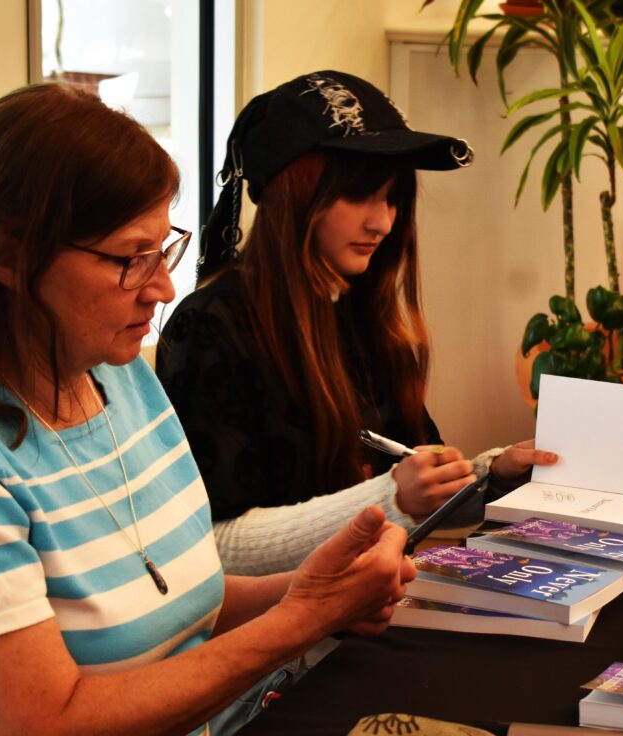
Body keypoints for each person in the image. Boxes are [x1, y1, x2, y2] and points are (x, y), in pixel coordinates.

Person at [0, 83, 413, 736]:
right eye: (129, 259)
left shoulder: (118, 376)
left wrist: (310, 591)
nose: (163, 287)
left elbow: (175, 599)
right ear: (8, 256)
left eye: (163, 249)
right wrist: (301, 620)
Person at [158, 70, 557, 575]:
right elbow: (214, 548)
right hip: (283, 621)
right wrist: (390, 500)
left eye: (392, 198)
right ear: (292, 194)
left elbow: (410, 472)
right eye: (359, 195)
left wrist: (489, 476)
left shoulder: (359, 313)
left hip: (374, 596)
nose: (383, 222)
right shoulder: (210, 329)